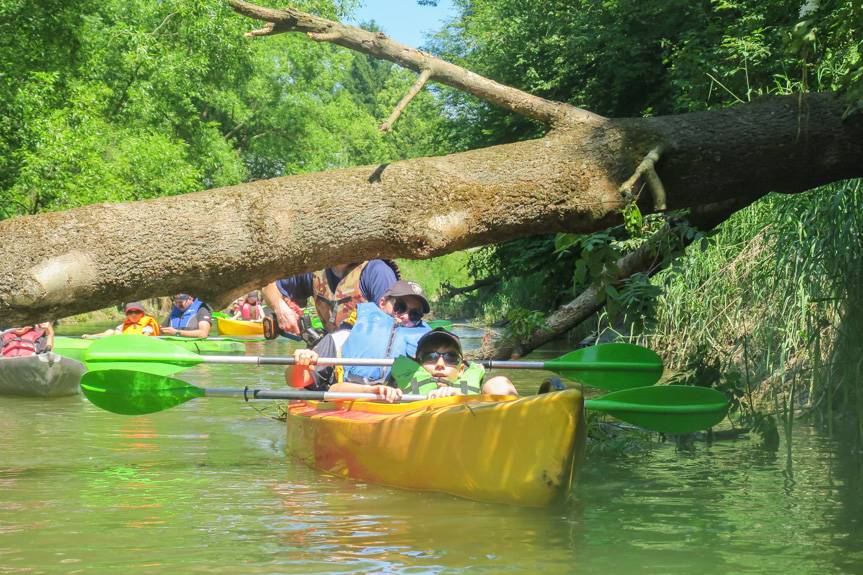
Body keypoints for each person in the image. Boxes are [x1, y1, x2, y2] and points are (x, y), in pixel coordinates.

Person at [290, 280, 432, 402]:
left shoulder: (427, 344)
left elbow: (446, 377)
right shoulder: (343, 337)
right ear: (382, 303)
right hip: (349, 403)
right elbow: (299, 381)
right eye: (400, 307)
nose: (406, 316)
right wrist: (301, 364)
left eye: (415, 314)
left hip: (400, 407)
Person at [262, 260, 399, 338]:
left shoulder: (377, 271)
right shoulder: (316, 269)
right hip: (329, 353)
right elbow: (267, 285)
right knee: (294, 376)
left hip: (365, 362)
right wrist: (280, 308)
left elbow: (390, 327)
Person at [394, 328, 519, 399]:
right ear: (418, 365)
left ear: (461, 370)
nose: (440, 364)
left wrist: (461, 399)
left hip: (470, 433)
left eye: (450, 357)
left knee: (499, 383)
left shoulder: (475, 395)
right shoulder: (399, 390)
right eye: (430, 356)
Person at [82, 302, 160, 339]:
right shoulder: (123, 326)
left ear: (142, 314)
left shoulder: (147, 326)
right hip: (123, 342)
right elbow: (111, 333)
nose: (133, 314)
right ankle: (92, 337)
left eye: (137, 312)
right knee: (110, 331)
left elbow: (146, 336)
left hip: (138, 343)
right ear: (127, 315)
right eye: (130, 312)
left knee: (116, 333)